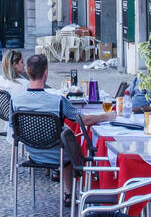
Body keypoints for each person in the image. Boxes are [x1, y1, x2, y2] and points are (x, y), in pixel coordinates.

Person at [13, 54, 113, 199]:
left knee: (64, 142)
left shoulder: (15, 101)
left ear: (27, 72)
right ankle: (69, 194)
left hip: (33, 153)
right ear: (46, 72)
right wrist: (107, 116)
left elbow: (14, 128)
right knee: (69, 147)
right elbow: (83, 119)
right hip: (58, 155)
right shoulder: (58, 101)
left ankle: (67, 190)